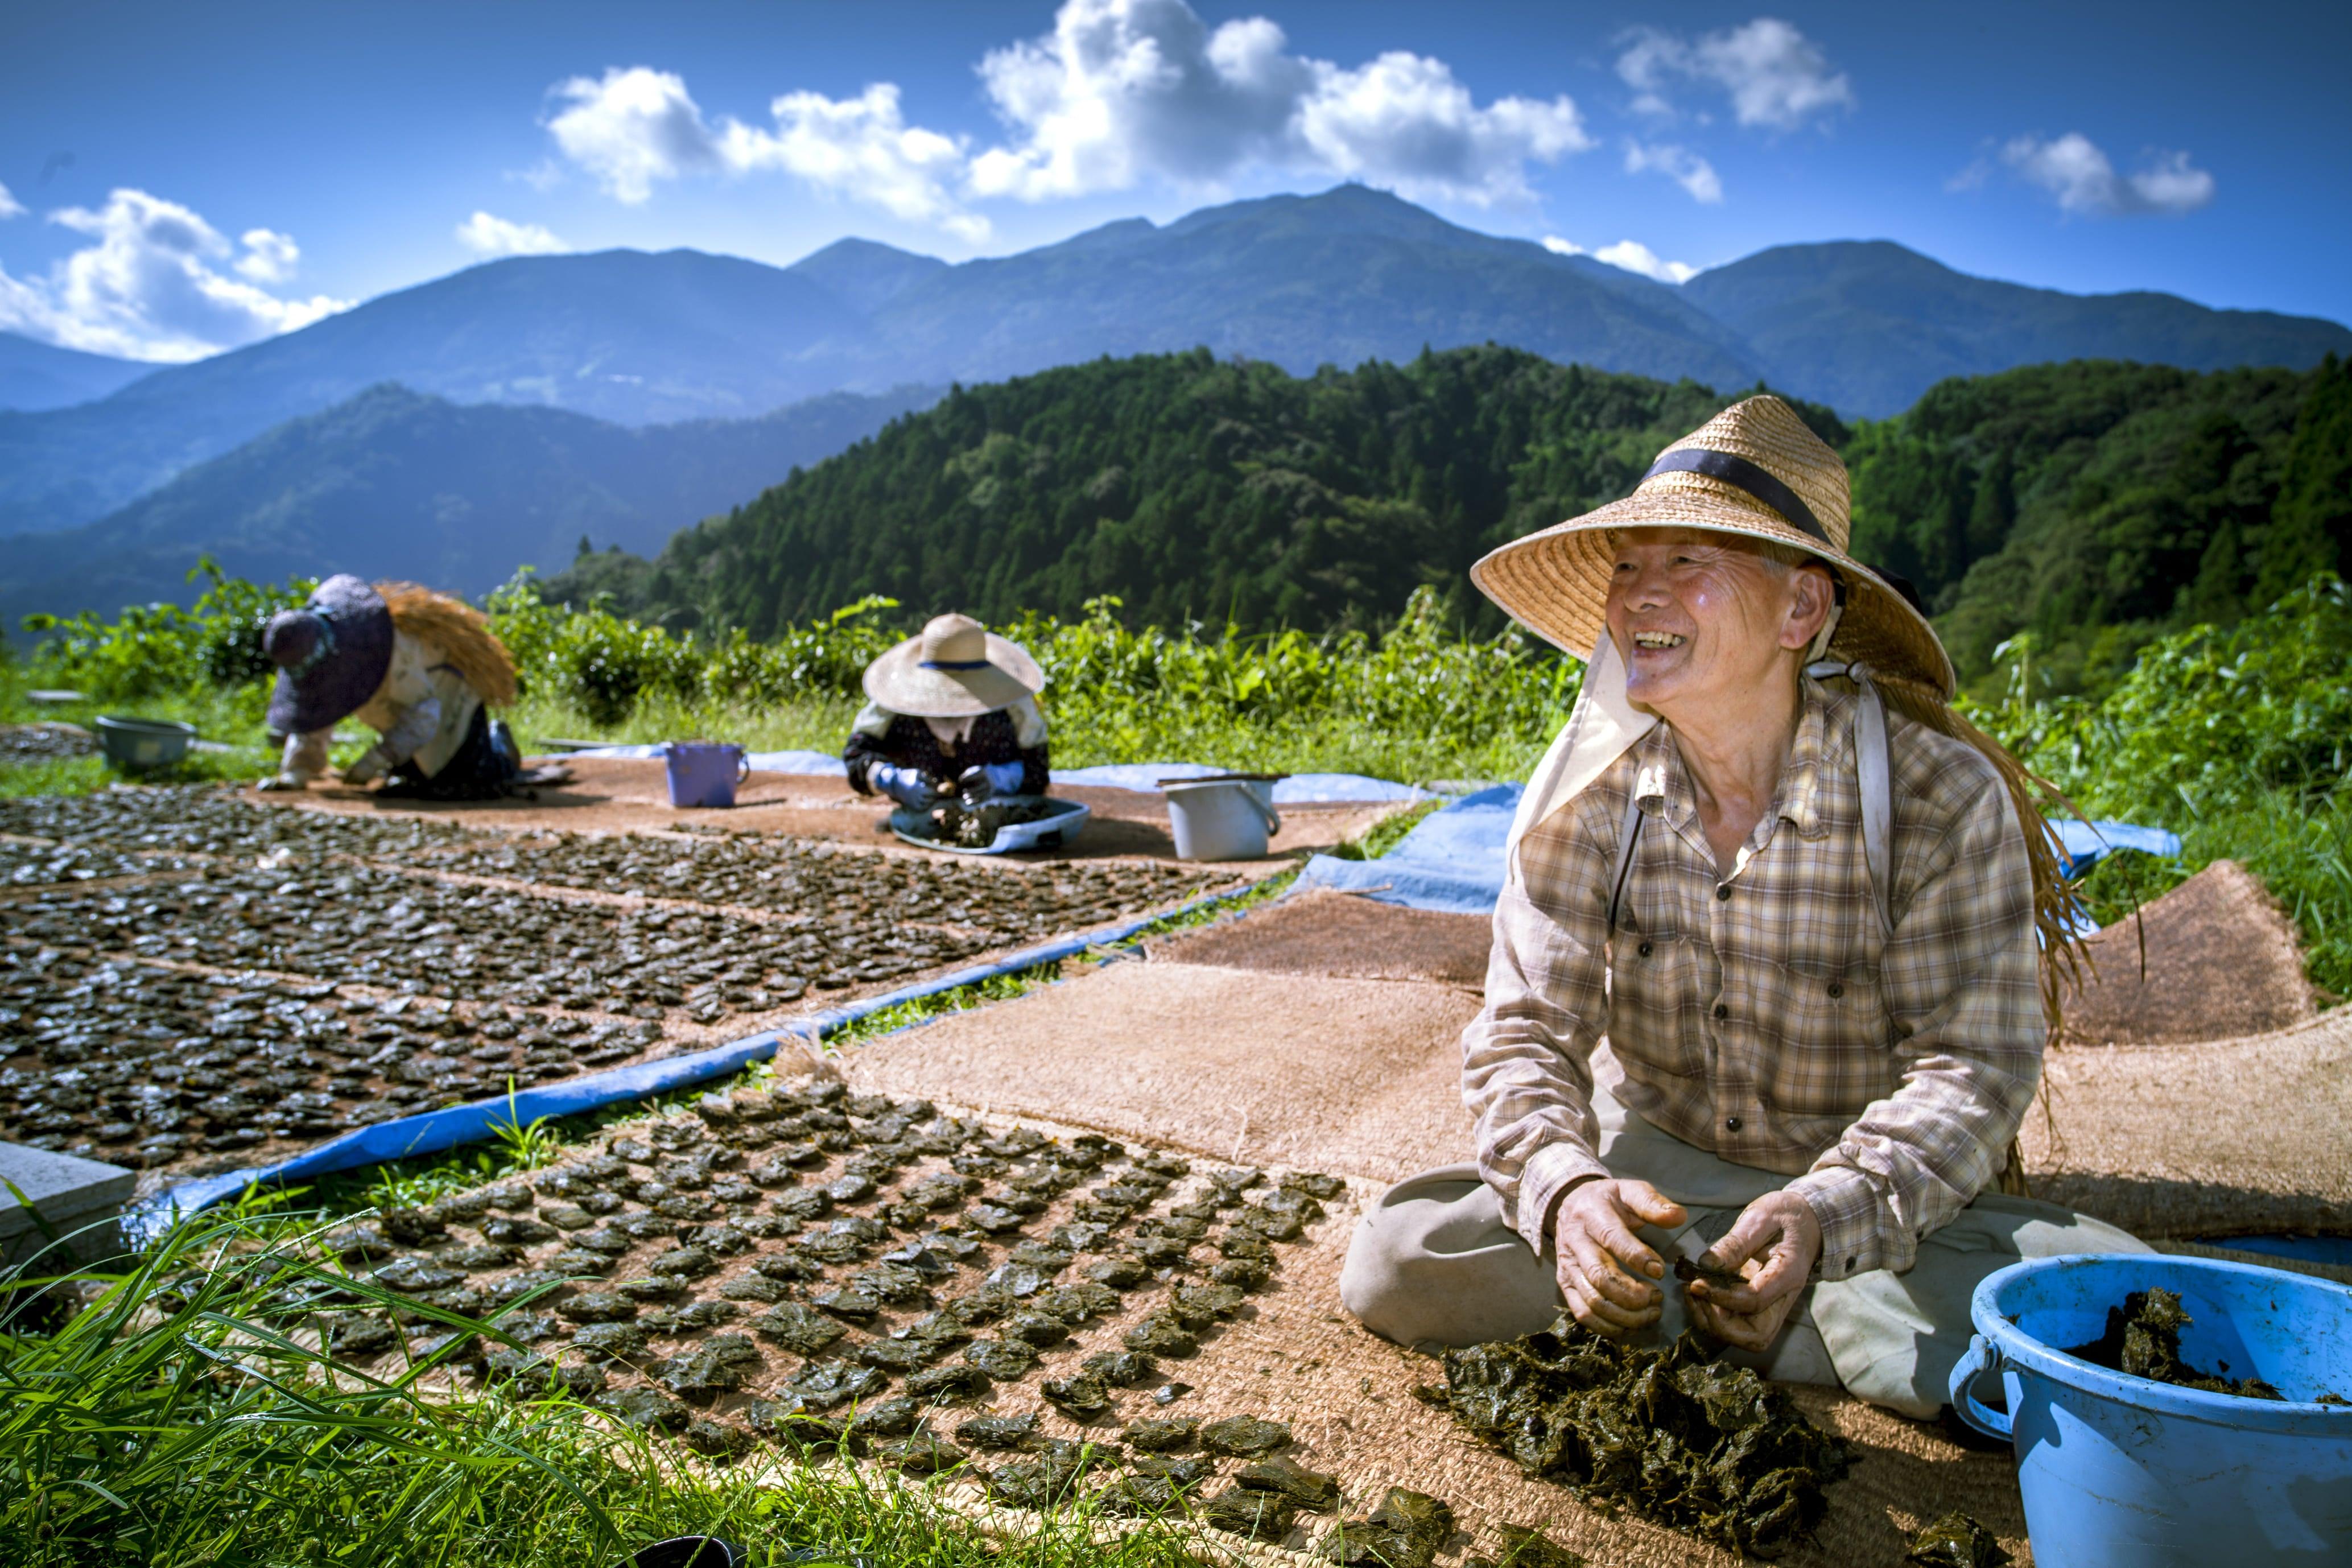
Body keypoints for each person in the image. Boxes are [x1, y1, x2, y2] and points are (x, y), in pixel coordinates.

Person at [1338, 395, 2149, 1420]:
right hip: (1653, 1175)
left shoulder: (1933, 799)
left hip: (1851, 1187)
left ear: (1799, 612)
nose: (1640, 595)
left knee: (2112, 1311)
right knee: (1397, 1260)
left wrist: (1821, 1213)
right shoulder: (1587, 801)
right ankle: (1801, 1323)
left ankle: (1738, 1302)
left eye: (1686, 564)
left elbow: (1971, 1068)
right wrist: (1569, 1195)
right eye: (1627, 566)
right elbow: (1521, 1033)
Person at [258, 575, 526, 799]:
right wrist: (297, 770)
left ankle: (501, 747)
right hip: (405, 714)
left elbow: (425, 711)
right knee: (409, 782)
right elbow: (314, 711)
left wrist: (377, 758)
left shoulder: (389, 649)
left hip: (447, 696)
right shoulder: (317, 657)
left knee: (465, 780)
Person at [844, 612, 1050, 815]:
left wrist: (1002, 778)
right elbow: (856, 754)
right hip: (920, 812)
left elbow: (1038, 767)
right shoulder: (895, 704)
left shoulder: (1012, 706)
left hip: (995, 810)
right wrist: (890, 779)